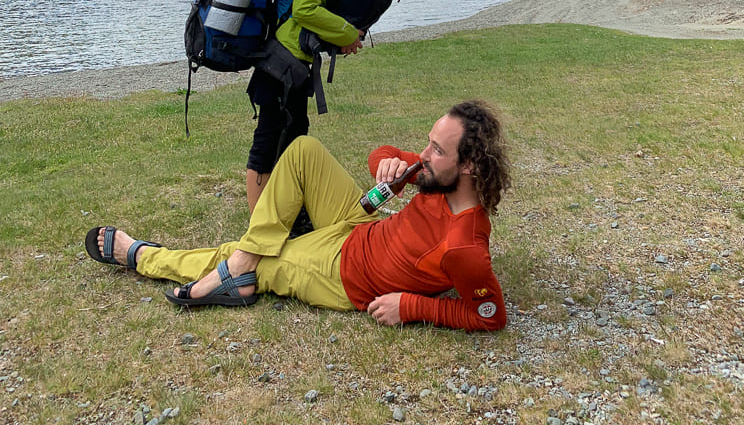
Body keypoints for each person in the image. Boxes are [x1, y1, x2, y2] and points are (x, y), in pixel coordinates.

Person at [84, 100, 511, 332]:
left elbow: (488, 315)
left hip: (345, 276)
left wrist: (411, 306)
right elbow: (381, 155)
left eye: (437, 149)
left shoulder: (464, 247)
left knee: (255, 257)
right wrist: (390, 169)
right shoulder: (437, 178)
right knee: (304, 149)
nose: (424, 154)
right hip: (359, 228)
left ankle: (142, 257)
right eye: (429, 142)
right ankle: (246, 261)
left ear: (470, 164)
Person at [245, 0, 366, 213]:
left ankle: (286, 214)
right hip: (286, 61)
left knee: (293, 138)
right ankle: (259, 227)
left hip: (281, 54)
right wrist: (348, 34)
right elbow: (306, 8)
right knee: (271, 141)